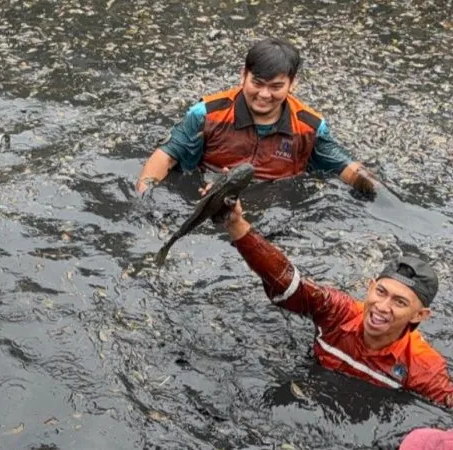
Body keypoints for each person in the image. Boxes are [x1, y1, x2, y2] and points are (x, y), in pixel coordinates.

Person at [222, 198, 453, 407]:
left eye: (399, 302)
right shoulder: (338, 312)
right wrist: (235, 224)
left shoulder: (424, 369)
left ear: (420, 315)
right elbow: (289, 283)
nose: (382, 306)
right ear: (370, 287)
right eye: (381, 292)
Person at [135, 37, 377, 196]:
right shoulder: (207, 113)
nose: (264, 95)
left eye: (276, 86)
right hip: (206, 190)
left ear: (292, 84)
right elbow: (167, 156)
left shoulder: (309, 127)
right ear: (243, 76)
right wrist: (145, 197)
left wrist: (375, 191)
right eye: (257, 83)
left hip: (276, 201)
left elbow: (344, 166)